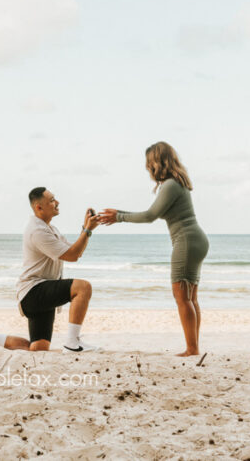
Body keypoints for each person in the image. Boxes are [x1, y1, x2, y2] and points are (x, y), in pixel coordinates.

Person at [98, 142, 209, 357]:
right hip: (194, 239)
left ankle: (192, 349)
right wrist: (119, 213)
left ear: (157, 162)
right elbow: (151, 213)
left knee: (182, 297)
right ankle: (193, 346)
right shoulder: (178, 182)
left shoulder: (170, 185)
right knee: (190, 297)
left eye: (149, 162)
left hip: (186, 240)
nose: (147, 167)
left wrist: (119, 217)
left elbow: (150, 216)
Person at [0, 187, 102, 352]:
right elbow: (72, 255)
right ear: (39, 207)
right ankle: (72, 342)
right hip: (34, 291)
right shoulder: (38, 231)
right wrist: (88, 230)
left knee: (38, 348)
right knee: (83, 287)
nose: (57, 202)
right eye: (52, 200)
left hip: (37, 294)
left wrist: (86, 228)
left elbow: (76, 251)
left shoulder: (50, 229)